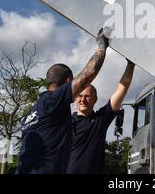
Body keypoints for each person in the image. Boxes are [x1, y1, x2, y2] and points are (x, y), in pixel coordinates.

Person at [17, 28, 109, 174]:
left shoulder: (31, 113)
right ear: (68, 81)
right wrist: (102, 46)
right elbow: (88, 74)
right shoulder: (54, 101)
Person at [66, 59, 135, 174]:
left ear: (95, 99)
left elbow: (121, 90)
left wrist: (131, 64)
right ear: (75, 98)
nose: (83, 100)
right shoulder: (65, 121)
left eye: (87, 96)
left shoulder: (100, 120)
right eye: (80, 96)